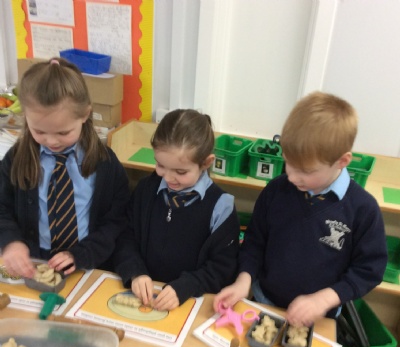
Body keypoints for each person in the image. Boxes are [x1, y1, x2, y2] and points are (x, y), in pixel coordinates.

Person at [213, 91, 387, 327]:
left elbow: (369, 270)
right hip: (264, 302)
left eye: (306, 171)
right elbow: (255, 243)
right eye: (288, 162)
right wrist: (243, 281)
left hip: (320, 317)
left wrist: (325, 299)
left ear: (342, 161)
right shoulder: (276, 191)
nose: (292, 177)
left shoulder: (363, 209)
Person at [0, 57, 130, 278]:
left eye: (63, 132)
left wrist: (82, 254)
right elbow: (2, 208)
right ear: (26, 117)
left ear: (85, 114)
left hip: (87, 266)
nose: (52, 141)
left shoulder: (106, 163)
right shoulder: (16, 159)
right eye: (39, 131)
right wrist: (11, 241)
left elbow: (117, 220)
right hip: (35, 265)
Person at [114, 109, 240, 311]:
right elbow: (125, 237)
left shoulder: (221, 207)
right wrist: (135, 271)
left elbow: (222, 268)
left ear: (206, 163)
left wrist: (186, 286)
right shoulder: (146, 190)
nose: (168, 177)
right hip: (145, 297)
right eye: (160, 165)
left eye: (180, 172)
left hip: (190, 302)